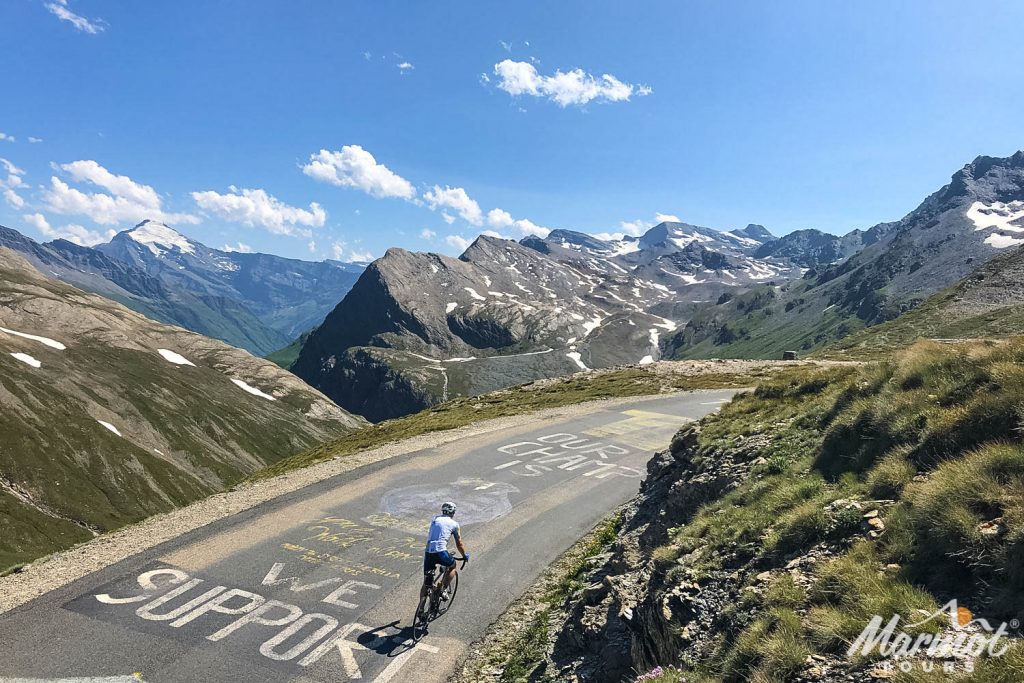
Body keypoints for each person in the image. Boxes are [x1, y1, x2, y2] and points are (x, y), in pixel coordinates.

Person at [419, 501, 469, 611]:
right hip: (441, 551)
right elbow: (459, 543)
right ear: (453, 512)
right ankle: (443, 589)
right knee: (452, 565)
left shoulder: (435, 519)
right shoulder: (454, 524)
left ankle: (421, 609)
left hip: (429, 552)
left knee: (427, 582)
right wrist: (464, 555)